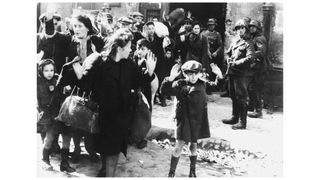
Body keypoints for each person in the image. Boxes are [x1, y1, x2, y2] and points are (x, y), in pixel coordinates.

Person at [87, 29, 157, 177]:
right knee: (104, 147)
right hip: (102, 113)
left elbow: (139, 82)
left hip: (121, 115)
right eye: (129, 47)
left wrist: (149, 72)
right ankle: (105, 170)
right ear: (119, 48)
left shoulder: (129, 64)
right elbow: (86, 83)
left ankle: (109, 174)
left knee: (113, 149)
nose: (131, 49)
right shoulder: (100, 61)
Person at [161, 60, 222, 177]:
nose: (193, 77)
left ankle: (192, 172)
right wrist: (170, 78)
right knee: (178, 146)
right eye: (190, 74)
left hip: (197, 120)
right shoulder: (179, 84)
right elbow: (164, 91)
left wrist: (219, 75)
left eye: (196, 73)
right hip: (183, 120)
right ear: (185, 74)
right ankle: (171, 173)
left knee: (193, 146)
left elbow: (217, 86)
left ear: (200, 73)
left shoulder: (203, 84)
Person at [57, 14, 105, 163]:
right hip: (76, 85)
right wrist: (69, 82)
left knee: (91, 118)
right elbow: (69, 64)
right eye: (74, 26)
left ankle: (91, 150)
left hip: (94, 85)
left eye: (79, 26)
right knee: (76, 118)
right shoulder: (71, 43)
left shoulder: (97, 41)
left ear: (88, 27)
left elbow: (103, 63)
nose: (76, 29)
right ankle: (77, 149)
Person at [37, 59, 76, 173]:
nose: (49, 73)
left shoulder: (58, 80)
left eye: (51, 70)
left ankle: (64, 163)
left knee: (67, 138)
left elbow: (64, 94)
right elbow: (38, 101)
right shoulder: (38, 84)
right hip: (50, 115)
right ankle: (45, 160)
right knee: (49, 138)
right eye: (46, 70)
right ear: (41, 71)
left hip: (62, 113)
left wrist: (65, 89)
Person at [222, 19, 254, 130]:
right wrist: (228, 60)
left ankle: (242, 122)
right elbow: (227, 53)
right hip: (232, 73)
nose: (240, 31)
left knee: (242, 98)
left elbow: (250, 58)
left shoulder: (248, 42)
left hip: (242, 75)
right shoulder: (235, 41)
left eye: (242, 28)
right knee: (233, 96)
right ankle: (234, 117)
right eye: (238, 28)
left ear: (246, 30)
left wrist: (236, 63)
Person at [247, 20, 267, 118]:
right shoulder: (253, 37)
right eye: (250, 26)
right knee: (251, 88)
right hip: (254, 67)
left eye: (253, 27)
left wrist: (251, 56)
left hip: (259, 68)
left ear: (257, 28)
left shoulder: (259, 38)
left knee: (256, 89)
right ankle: (251, 106)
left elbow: (261, 53)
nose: (251, 28)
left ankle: (259, 111)